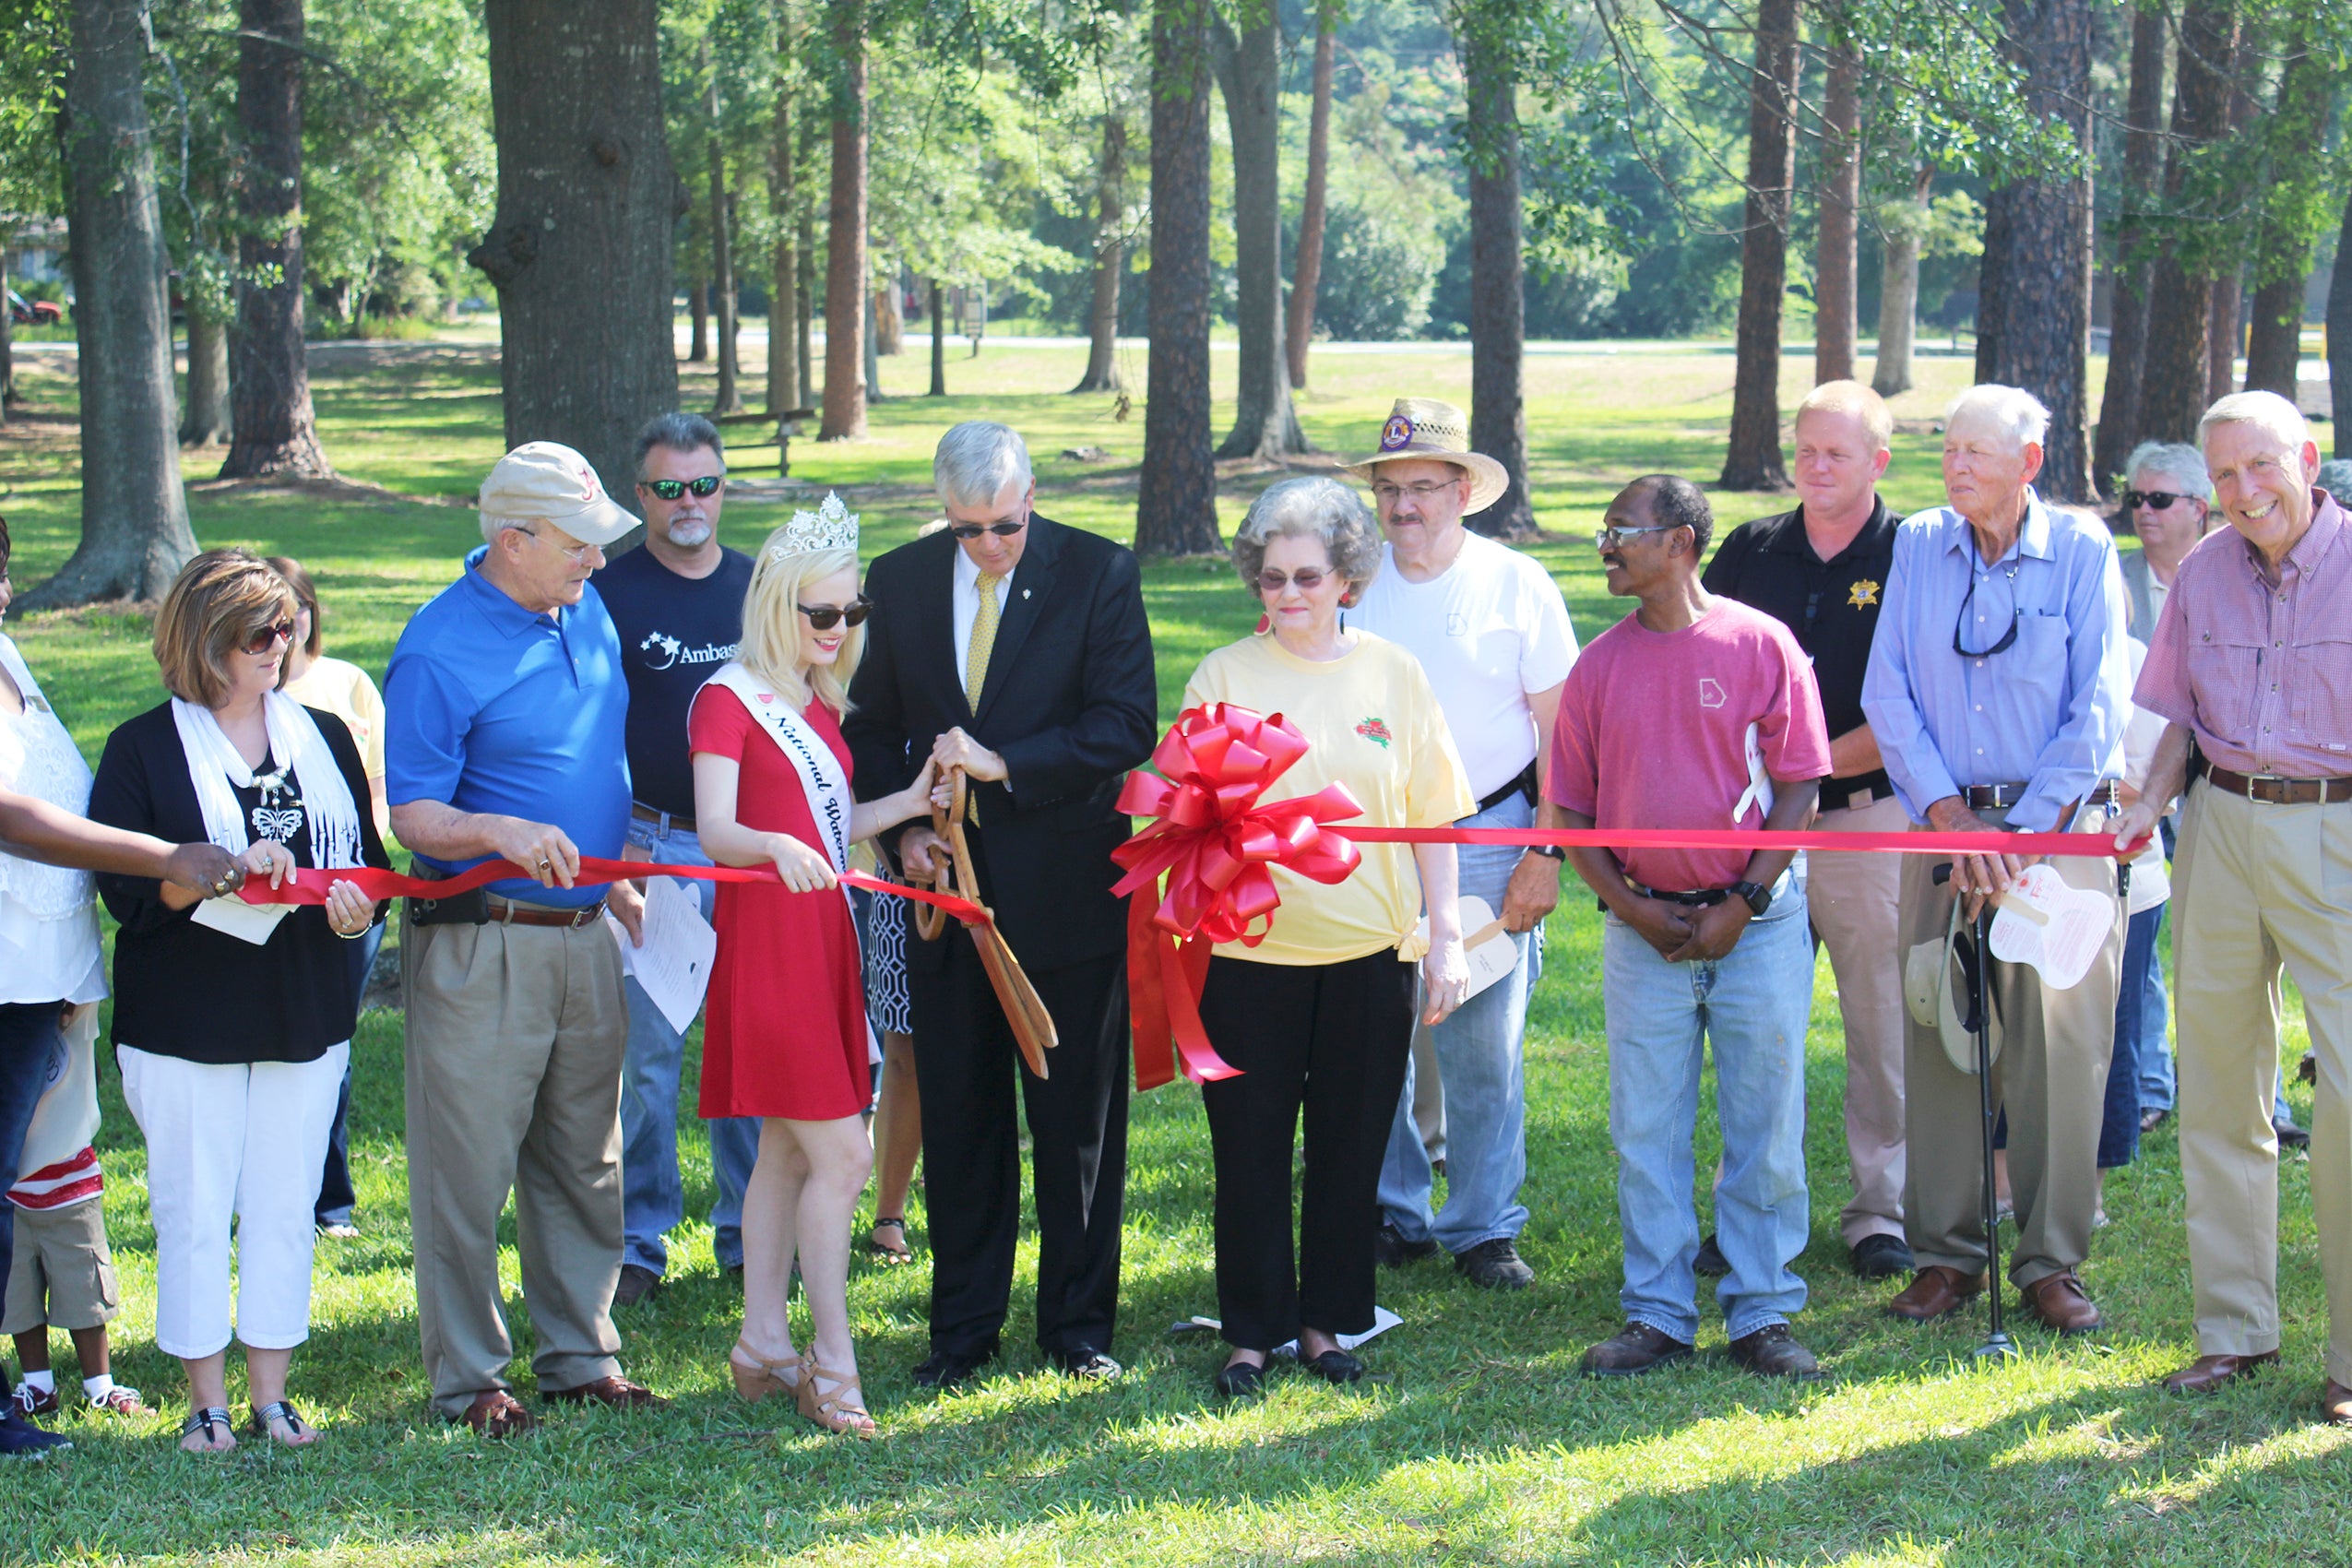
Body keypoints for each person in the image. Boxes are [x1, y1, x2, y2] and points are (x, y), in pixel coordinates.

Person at [844, 421, 1157, 1388]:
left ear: (1031, 498)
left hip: (1066, 896)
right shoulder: (896, 582)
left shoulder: (1099, 570)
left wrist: (1005, 763)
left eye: (1006, 525)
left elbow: (1125, 725)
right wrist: (904, 833)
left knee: (1076, 1128)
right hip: (943, 898)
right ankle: (963, 1331)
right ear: (944, 508)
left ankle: (1076, 1328)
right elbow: (875, 728)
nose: (988, 543)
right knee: (963, 1120)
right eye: (970, 527)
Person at [88, 549, 389, 1453]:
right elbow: (126, 894)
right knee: (193, 1202)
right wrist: (210, 875)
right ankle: (204, 1400)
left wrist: (352, 911)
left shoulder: (324, 736)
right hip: (186, 1019)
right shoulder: (143, 747)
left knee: (286, 1200)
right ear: (205, 643)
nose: (281, 644)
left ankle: (272, 1393)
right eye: (260, 632)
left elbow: (364, 862)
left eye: (289, 625)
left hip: (304, 1008)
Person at [384, 442, 657, 1438]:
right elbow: (411, 810)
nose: (596, 559)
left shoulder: (586, 606)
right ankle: (469, 1378)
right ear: (513, 538)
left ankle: (581, 1356)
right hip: (486, 941)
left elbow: (597, 749)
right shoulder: (437, 646)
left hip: (588, 930)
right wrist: (498, 830)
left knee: (586, 1154)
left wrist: (615, 861)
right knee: (467, 1168)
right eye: (579, 543)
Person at [1182, 476, 1474, 1396]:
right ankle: (1250, 1332)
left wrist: (1449, 935)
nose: (1289, 595)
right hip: (1246, 959)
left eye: (1308, 576)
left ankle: (1327, 1322)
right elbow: (1183, 814)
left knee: (1350, 1148)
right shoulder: (1222, 675)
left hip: (1368, 957)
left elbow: (1433, 818)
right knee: (1251, 1147)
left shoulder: (1395, 673)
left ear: (1347, 576)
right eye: (1271, 578)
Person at [1859, 385, 2131, 1336]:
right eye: (1950, 449)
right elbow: (1885, 687)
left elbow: (2098, 704)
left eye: (1979, 450)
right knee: (1941, 1033)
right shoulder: (1918, 544)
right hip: (1943, 832)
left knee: (2059, 1049)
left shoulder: (2085, 550)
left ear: (2030, 462)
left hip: (2054, 838)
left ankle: (2051, 1261)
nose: (1958, 465)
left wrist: (2021, 838)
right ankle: (1946, 1255)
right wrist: (1945, 813)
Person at [1550, 476, 1832, 1380]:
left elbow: (1799, 785)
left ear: (1679, 541)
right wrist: (1634, 908)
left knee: (1765, 1118)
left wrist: (1742, 903)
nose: (1606, 544)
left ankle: (1763, 1310)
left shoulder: (1761, 644)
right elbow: (1568, 812)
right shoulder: (1598, 665)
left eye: (1620, 529)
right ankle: (1659, 1312)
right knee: (1647, 1126)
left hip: (1758, 926)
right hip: (1644, 932)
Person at [2112, 391, 2352, 1425]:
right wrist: (2149, 806)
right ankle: (2236, 1330)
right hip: (2217, 824)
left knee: (2346, 1094)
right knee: (2216, 1082)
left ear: (2306, 456)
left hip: (2338, 831)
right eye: (2224, 477)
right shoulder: (2202, 573)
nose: (2245, 492)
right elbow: (2181, 719)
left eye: (2261, 467)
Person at [692, 495, 940, 1436]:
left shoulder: (815, 701)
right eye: (821, 614)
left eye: (851, 614)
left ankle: (762, 1340)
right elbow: (718, 827)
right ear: (777, 607)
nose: (839, 631)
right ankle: (831, 1360)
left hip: (823, 934)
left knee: (791, 1153)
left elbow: (832, 833)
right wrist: (768, 845)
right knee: (844, 1155)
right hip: (770, 945)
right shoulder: (728, 698)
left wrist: (907, 800)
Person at [1346, 398, 1577, 1292]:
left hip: (1492, 827)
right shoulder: (1354, 583)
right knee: (1376, 1035)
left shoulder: (1517, 583)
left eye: (1424, 489)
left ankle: (1484, 1224)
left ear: (1466, 492)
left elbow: (1566, 733)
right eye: (1390, 488)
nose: (1405, 507)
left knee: (1486, 1041)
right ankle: (1396, 1207)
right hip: (1377, 835)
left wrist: (1545, 851)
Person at [1703, 380, 1913, 1281]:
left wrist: (1804, 763)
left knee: (1882, 1025)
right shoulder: (1752, 548)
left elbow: (1915, 702)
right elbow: (1697, 658)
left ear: (1879, 460)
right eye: (1806, 449)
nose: (1817, 466)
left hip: (1867, 818)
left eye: (1838, 451)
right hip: (1758, 831)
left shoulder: (1915, 551)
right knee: (1757, 1029)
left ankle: (1882, 1211)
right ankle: (1749, 1212)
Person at [593, 413, 760, 1305]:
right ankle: (640, 1245)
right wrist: (614, 845)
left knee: (746, 1045)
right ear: (642, 495)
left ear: (723, 488)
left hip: (748, 853)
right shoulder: (608, 595)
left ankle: (749, 1236)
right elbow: (587, 730)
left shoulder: (759, 589)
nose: (688, 503)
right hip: (652, 848)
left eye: (703, 485)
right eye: (667, 488)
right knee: (650, 1059)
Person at [267, 556, 389, 1241]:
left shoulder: (346, 685)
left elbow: (373, 785)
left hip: (350, 896)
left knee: (331, 1049)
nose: (285, 630)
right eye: (267, 621)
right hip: (269, 907)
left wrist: (362, 871)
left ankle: (330, 1200)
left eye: (296, 611)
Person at [6, 1004, 148, 1423]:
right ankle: (37, 1384)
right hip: (12, 1192)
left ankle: (99, 1385)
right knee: (18, 1296)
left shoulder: (71, 1027)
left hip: (71, 1190)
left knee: (85, 1289)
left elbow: (82, 987)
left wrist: (65, 1002)